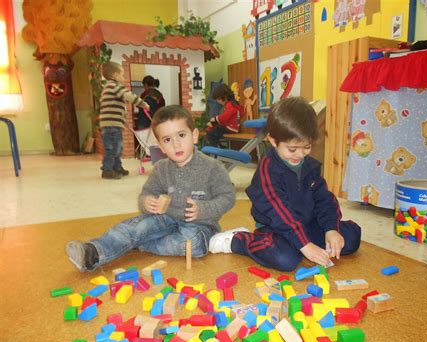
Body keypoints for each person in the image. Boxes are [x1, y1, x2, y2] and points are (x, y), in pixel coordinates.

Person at [66, 105, 236, 272]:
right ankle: (93, 252)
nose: (176, 144)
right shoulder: (162, 168)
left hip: (199, 226)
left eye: (181, 135)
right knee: (136, 227)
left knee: (194, 245)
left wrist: (204, 209)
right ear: (160, 146)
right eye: (167, 140)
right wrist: (146, 201)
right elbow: (148, 192)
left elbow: (228, 197)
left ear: (194, 136)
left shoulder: (212, 167)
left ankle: (140, 244)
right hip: (166, 218)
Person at [209, 97, 361, 271]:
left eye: (307, 147)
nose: (300, 154)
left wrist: (331, 229)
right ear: (273, 141)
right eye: (292, 149)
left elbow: (324, 199)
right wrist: (304, 244)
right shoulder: (268, 170)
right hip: (277, 227)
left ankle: (310, 241)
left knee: (352, 236)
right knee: (285, 259)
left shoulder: (310, 166)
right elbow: (279, 213)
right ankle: (238, 240)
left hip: (307, 223)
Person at [99, 61, 149, 179]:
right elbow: (129, 96)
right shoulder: (114, 86)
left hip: (112, 124)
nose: (124, 77)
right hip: (111, 125)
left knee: (118, 147)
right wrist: (143, 104)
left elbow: (113, 108)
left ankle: (116, 167)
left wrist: (122, 120)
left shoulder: (109, 87)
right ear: (115, 75)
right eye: (122, 75)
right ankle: (107, 170)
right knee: (112, 148)